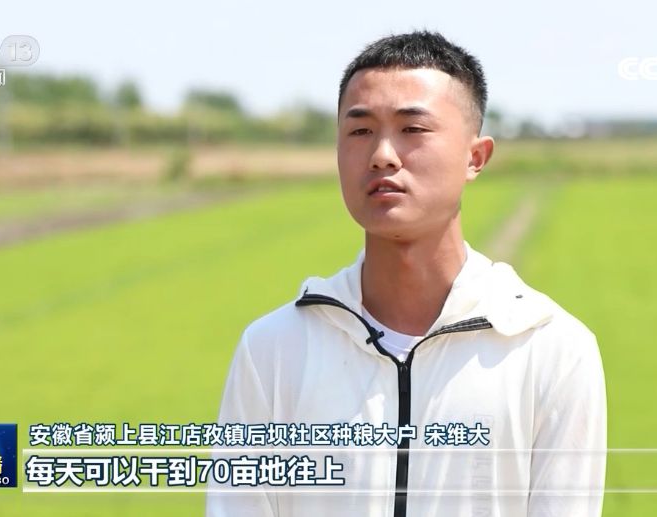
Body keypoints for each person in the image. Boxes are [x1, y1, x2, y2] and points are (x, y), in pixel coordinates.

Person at [206, 30, 606, 517]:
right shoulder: (273, 348)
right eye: (360, 131)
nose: (382, 154)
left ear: (475, 157)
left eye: (412, 129)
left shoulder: (550, 348)